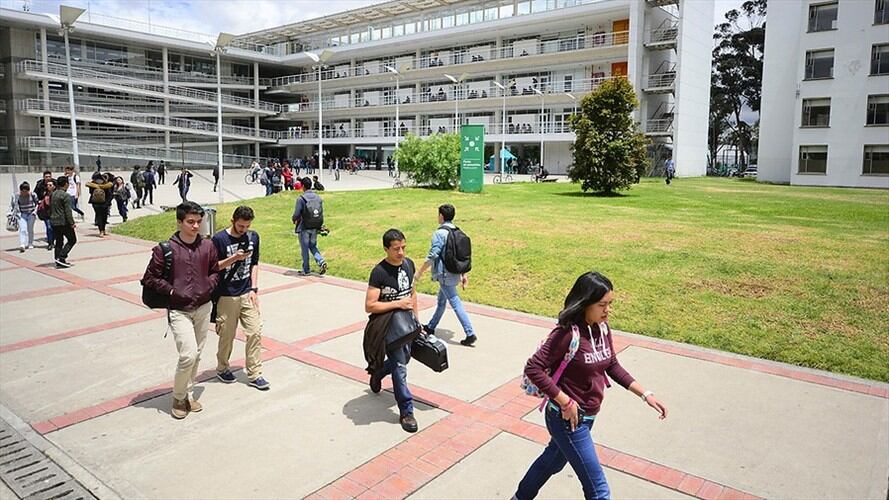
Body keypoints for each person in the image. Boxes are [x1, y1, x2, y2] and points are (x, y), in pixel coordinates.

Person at [514, 272, 668, 499]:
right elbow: (533, 368)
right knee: (598, 490)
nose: (608, 310)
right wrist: (566, 402)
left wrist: (645, 394)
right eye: (602, 305)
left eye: (610, 304)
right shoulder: (567, 333)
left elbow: (612, 365)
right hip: (567, 420)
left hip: (588, 416)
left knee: (551, 462)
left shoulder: (602, 329)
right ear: (585, 303)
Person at [141, 202, 220, 419]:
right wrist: (172, 291)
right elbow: (150, 278)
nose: (195, 226)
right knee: (188, 354)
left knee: (197, 354)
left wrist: (208, 285)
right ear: (179, 222)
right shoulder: (165, 249)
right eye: (190, 222)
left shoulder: (207, 246)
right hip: (179, 309)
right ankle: (178, 396)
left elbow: (215, 271)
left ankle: (188, 394)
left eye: (198, 222)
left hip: (203, 306)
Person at [365, 228, 420, 433]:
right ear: (386, 249)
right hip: (388, 327)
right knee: (400, 367)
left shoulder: (409, 264)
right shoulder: (379, 272)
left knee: (404, 360)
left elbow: (412, 294)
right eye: (396, 249)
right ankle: (406, 411)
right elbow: (370, 305)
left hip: (407, 325)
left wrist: (417, 320)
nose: (401, 252)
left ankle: (378, 372)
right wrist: (397, 304)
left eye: (403, 247)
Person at [212, 206, 270, 391]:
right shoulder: (219, 239)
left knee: (255, 331)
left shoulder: (253, 237)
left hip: (247, 293)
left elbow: (254, 263)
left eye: (247, 226)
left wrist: (254, 288)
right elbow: (213, 267)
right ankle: (222, 368)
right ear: (232, 221)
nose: (244, 230)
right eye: (240, 226)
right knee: (227, 335)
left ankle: (255, 373)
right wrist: (234, 258)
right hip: (226, 295)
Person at [415, 204, 476, 346]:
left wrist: (419, 272)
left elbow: (433, 255)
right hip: (454, 271)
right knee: (441, 301)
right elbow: (461, 254)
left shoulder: (440, 233)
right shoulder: (457, 231)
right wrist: (463, 274)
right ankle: (431, 326)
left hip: (444, 274)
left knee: (455, 302)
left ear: (441, 216)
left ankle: (470, 333)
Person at [292, 177, 328, 276]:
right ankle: (321, 261)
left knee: (305, 248)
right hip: (315, 226)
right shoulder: (318, 197)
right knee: (313, 246)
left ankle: (306, 269)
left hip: (304, 227)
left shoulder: (301, 199)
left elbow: (296, 214)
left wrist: (293, 219)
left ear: (303, 186)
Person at [50, 176, 76, 268]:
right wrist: (72, 223)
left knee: (59, 241)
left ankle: (57, 260)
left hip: (54, 221)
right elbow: (68, 211)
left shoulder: (53, 194)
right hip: (63, 222)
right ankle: (62, 256)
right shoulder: (65, 196)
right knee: (72, 239)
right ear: (66, 184)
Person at [10, 182, 38, 252]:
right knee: (23, 229)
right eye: (23, 191)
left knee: (30, 229)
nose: (25, 193)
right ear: (20, 190)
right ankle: (22, 244)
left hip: (31, 214)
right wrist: (12, 213)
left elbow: (37, 204)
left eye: (26, 191)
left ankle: (30, 243)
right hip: (22, 214)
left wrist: (35, 212)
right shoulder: (16, 196)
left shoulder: (33, 195)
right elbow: (13, 206)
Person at [86, 172, 113, 237]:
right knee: (103, 216)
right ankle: (102, 230)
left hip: (96, 203)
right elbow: (109, 194)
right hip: (104, 202)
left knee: (100, 216)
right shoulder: (106, 183)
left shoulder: (92, 184)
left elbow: (90, 192)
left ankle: (101, 230)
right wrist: (108, 203)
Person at [34, 171, 54, 249]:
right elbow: (35, 195)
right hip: (45, 210)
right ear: (43, 177)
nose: (48, 178)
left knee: (54, 227)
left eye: (49, 176)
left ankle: (53, 239)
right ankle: (50, 243)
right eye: (46, 177)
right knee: (49, 227)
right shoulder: (39, 185)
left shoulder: (55, 183)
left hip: (54, 210)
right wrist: (39, 201)